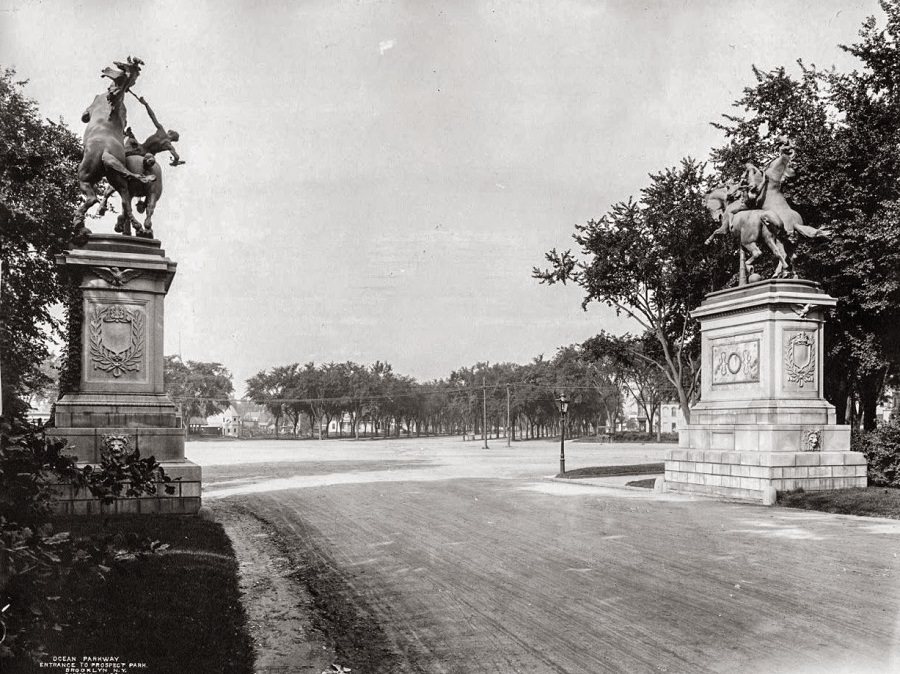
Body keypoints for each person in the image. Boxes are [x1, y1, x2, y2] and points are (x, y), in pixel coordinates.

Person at [126, 95, 185, 166]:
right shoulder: (169, 145)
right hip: (146, 154)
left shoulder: (161, 130)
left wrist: (146, 104)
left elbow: (152, 116)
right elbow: (177, 156)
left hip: (140, 148)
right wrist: (175, 162)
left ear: (170, 133)